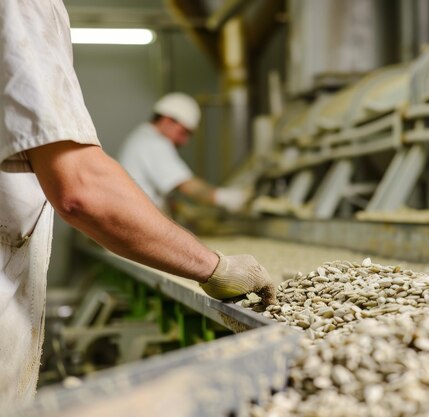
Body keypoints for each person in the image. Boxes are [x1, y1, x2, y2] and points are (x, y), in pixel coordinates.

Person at [0, 0, 275, 406]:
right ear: (170, 121)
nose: (184, 140)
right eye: (184, 133)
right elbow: (82, 191)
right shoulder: (23, 7)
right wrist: (217, 266)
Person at [118, 92, 249, 214]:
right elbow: (187, 185)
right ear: (167, 120)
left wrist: (183, 209)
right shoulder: (154, 143)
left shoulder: (142, 136)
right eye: (183, 132)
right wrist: (228, 198)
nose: (184, 142)